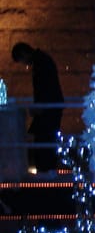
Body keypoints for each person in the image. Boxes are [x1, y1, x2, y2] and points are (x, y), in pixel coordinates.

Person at [11, 42, 64, 172]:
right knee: (46, 141)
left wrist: (39, 107)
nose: (24, 64)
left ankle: (45, 171)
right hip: (49, 108)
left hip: (47, 109)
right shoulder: (42, 60)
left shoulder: (41, 63)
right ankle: (47, 170)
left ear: (24, 54)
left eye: (22, 60)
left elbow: (44, 88)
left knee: (44, 141)